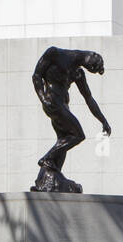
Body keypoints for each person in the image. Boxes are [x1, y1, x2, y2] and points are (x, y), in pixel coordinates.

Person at [30, 46, 111, 193]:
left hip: (63, 105)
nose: (90, 67)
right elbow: (36, 75)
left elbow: (89, 99)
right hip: (52, 101)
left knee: (64, 139)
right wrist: (43, 98)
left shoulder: (77, 73)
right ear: (91, 54)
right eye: (93, 64)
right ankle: (47, 159)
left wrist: (103, 120)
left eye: (92, 68)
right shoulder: (54, 53)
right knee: (77, 135)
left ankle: (50, 177)